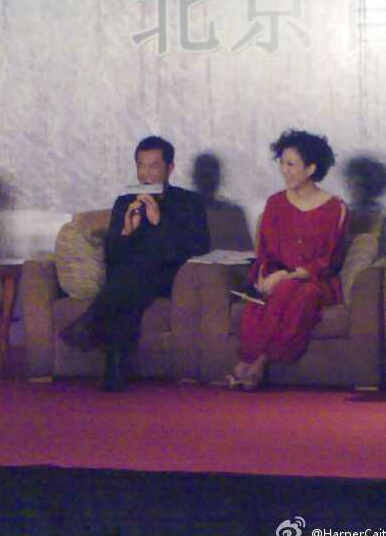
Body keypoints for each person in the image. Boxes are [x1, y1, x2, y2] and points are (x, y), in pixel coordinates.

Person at [61, 136, 210, 391]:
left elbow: (198, 249)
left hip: (171, 278)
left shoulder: (189, 202)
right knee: (129, 294)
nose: (146, 174)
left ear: (170, 168)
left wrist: (159, 221)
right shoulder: (125, 202)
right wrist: (127, 231)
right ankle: (114, 370)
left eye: (153, 166)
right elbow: (112, 257)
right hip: (133, 282)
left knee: (135, 274)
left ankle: (92, 322)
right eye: (141, 166)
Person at [227, 129, 348, 391]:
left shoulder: (335, 208)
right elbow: (265, 253)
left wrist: (286, 276)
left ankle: (255, 360)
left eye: (290, 164)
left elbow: (328, 261)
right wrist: (267, 276)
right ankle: (254, 359)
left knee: (300, 294)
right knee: (269, 296)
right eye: (281, 162)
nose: (283, 170)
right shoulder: (275, 204)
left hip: (315, 281)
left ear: (311, 168)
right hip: (276, 277)